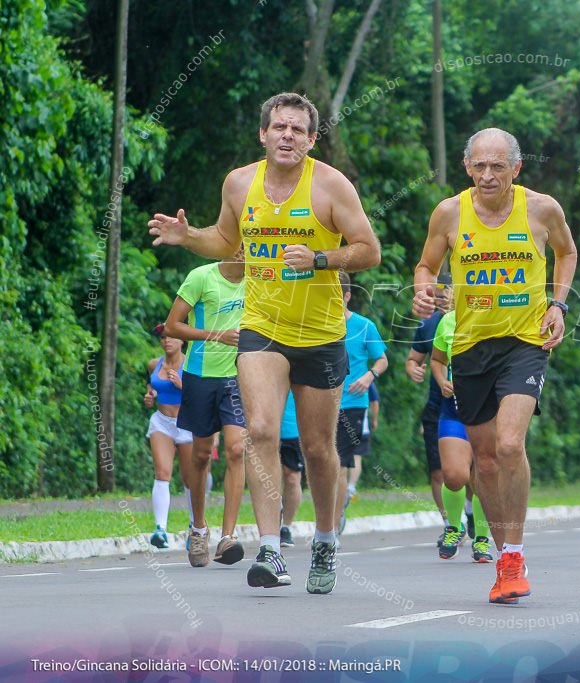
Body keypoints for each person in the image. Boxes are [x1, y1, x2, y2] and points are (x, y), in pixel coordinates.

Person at [149, 92, 381, 593]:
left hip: (320, 333)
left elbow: (369, 251)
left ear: (311, 139)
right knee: (258, 429)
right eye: (279, 127)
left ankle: (323, 540)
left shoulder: (331, 185)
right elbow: (226, 242)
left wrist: (320, 259)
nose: (287, 136)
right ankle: (271, 550)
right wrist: (188, 236)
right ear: (263, 133)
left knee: (319, 450)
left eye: (298, 130)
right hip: (261, 327)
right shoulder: (239, 182)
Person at [412, 127, 578, 604]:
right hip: (469, 346)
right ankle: (505, 553)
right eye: (479, 166)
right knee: (483, 459)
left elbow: (567, 253)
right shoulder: (449, 213)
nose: (487, 175)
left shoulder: (541, 209)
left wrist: (558, 306)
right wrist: (424, 287)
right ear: (467, 167)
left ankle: (513, 554)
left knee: (508, 444)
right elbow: (426, 266)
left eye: (497, 166)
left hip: (525, 341)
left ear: (516, 169)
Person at [164, 252, 247, 568]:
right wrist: (218, 336)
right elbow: (173, 326)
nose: (243, 249)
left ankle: (228, 537)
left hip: (236, 379)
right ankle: (198, 528)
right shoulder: (201, 277)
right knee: (200, 456)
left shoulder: (259, 281)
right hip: (199, 377)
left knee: (237, 450)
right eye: (237, 241)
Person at [431, 308, 494, 563]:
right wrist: (441, 380)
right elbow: (437, 360)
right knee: (455, 475)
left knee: (484, 476)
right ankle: (453, 528)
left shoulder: (501, 316)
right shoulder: (448, 320)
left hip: (490, 409)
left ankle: (481, 537)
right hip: (454, 409)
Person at [336, 272, 388, 534]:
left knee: (341, 463)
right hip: (320, 403)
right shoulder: (314, 325)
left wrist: (369, 376)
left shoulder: (364, 326)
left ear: (347, 296)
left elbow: (382, 360)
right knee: (324, 463)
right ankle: (330, 518)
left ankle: (332, 528)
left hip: (352, 404)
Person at [405, 274, 452, 540]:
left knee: (469, 471)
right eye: (438, 296)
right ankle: (449, 524)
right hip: (436, 407)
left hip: (471, 406)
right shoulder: (428, 324)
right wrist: (413, 369)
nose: (442, 300)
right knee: (438, 470)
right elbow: (413, 358)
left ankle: (470, 512)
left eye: (446, 294)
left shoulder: (475, 321)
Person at [143, 325, 193, 548]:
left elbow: (201, 393)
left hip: (187, 423)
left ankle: (196, 527)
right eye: (163, 337)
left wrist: (181, 385)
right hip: (161, 422)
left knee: (190, 479)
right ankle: (160, 530)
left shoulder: (191, 363)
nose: (166, 341)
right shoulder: (154, 364)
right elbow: (151, 384)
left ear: (182, 340)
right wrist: (150, 395)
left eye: (171, 337)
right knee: (162, 473)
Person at [279, 391, 304, 548]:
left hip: (294, 428)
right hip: (266, 427)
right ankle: (269, 528)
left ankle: (286, 527)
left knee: (292, 478)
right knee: (266, 478)